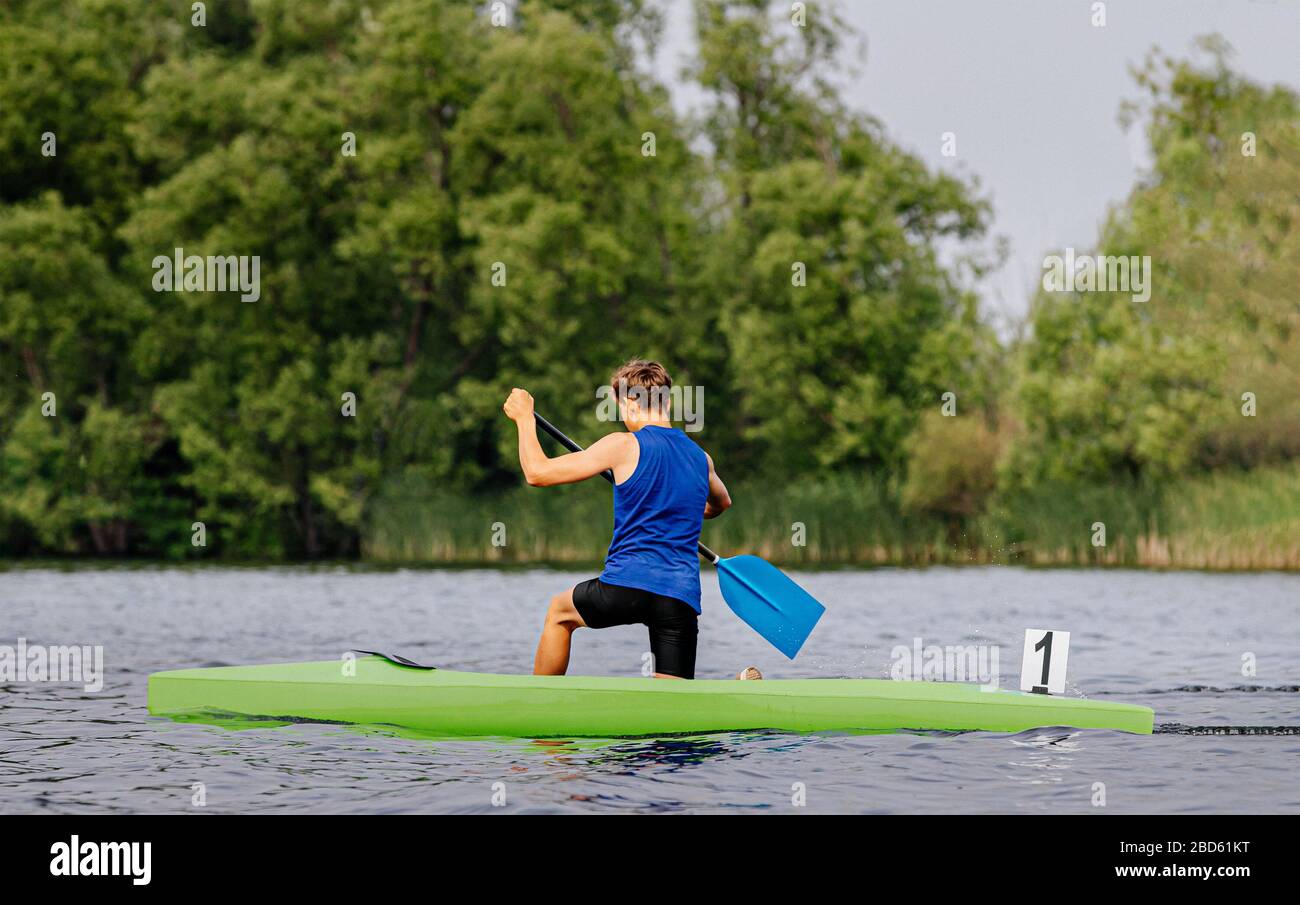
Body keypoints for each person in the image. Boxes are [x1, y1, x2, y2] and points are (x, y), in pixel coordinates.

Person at [503, 360, 758, 680]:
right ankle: (727, 694)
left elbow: (537, 473)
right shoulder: (700, 457)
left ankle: (537, 704)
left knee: (559, 612)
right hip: (679, 598)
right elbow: (722, 503)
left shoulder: (622, 445)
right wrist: (683, 510)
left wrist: (525, 420)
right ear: (666, 401)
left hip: (626, 586)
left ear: (631, 402)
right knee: (671, 709)